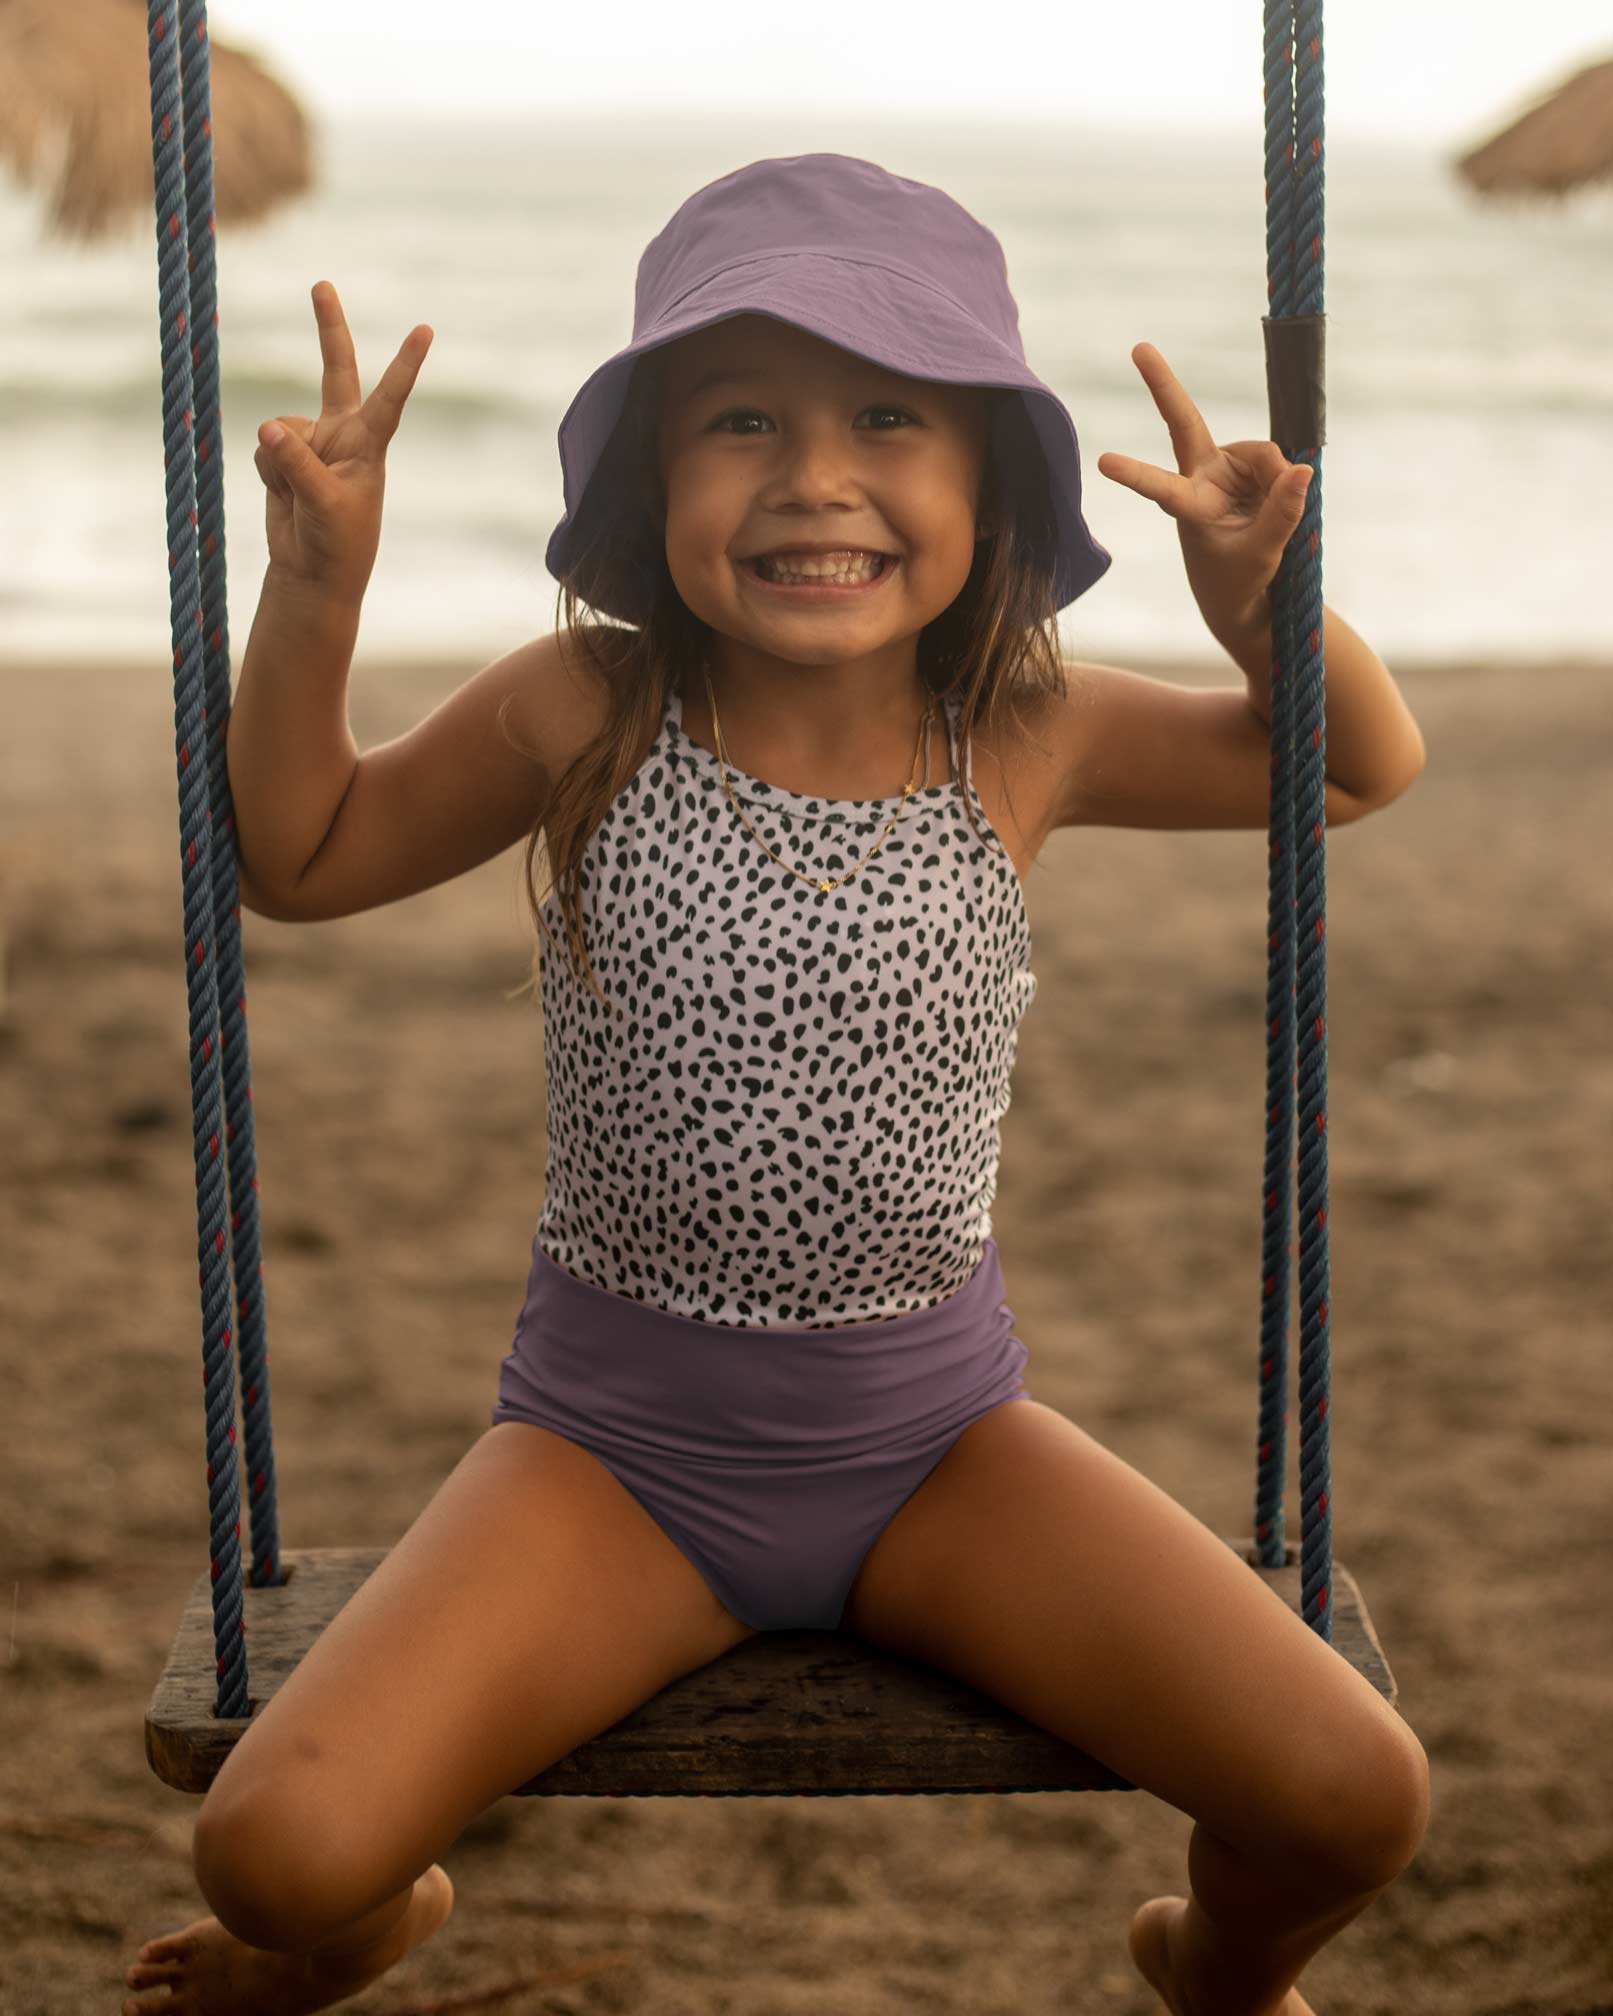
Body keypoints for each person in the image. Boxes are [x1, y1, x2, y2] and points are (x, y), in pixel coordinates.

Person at [124, 153, 1430, 2016]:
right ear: (657, 480)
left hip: (939, 1449)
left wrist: (1259, 610)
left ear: (989, 481)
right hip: (609, 1460)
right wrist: (318, 582)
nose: (816, 478)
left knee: (1353, 1798)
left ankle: (1211, 1966)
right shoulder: (583, 706)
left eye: (888, 418)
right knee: (274, 1854)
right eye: (742, 420)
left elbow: (1353, 769)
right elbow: (305, 850)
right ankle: (367, 1926)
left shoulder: (1027, 728)